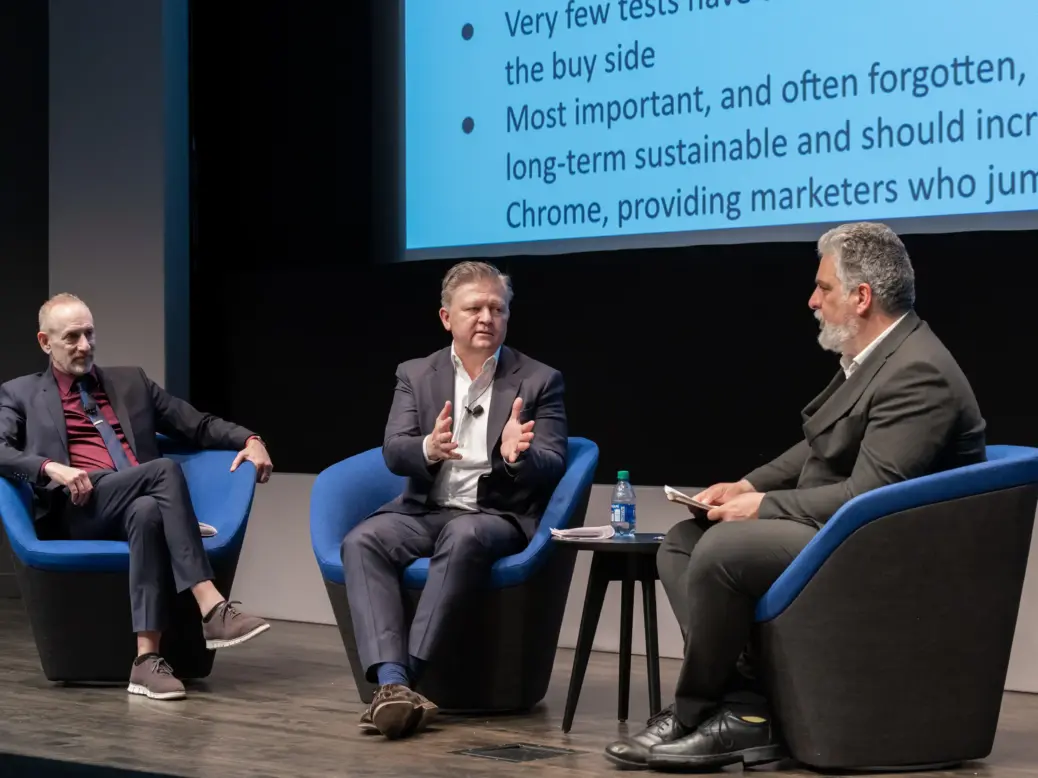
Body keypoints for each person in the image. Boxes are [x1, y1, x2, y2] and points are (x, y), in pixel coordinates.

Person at [605, 222, 986, 771]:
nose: (812, 300)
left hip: (890, 553)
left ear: (861, 297)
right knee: (684, 541)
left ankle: (700, 712)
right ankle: (743, 711)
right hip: (846, 529)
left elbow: (871, 494)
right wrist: (750, 484)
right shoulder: (878, 356)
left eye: (823, 288)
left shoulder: (917, 370)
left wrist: (761, 508)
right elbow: (819, 445)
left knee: (723, 550)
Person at [0, 294, 274, 702]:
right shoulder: (20, 393)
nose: (84, 346)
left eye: (89, 334)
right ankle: (212, 607)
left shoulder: (131, 382)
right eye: (72, 337)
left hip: (134, 500)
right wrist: (50, 469)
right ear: (45, 342)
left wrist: (250, 439)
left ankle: (146, 660)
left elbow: (196, 425)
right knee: (163, 471)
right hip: (78, 509)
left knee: (147, 510)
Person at [342, 261, 568, 740]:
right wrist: (428, 447)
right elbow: (394, 449)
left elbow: (553, 461)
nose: (487, 317)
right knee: (362, 541)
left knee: (465, 533)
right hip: (425, 510)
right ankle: (392, 684)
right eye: (474, 308)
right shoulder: (416, 374)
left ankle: (407, 678)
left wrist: (513, 457)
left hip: (496, 515)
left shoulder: (540, 380)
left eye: (497, 308)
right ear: (447, 317)